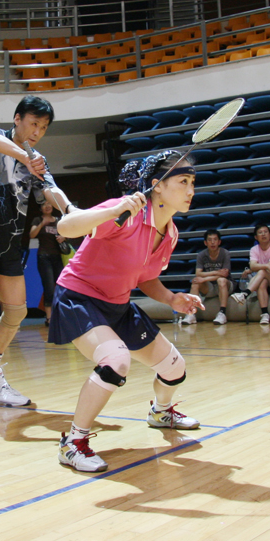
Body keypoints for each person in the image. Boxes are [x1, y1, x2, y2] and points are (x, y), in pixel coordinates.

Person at [48, 150, 204, 473]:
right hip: (79, 297)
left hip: (117, 304)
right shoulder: (126, 212)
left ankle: (160, 412)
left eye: (193, 182)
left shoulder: (170, 233)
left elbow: (144, 276)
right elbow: (66, 226)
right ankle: (73, 443)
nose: (191, 190)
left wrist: (171, 298)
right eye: (183, 181)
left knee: (175, 367)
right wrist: (112, 210)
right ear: (157, 185)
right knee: (115, 360)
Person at [0, 95, 76, 408]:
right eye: (33, 123)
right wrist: (25, 156)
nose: (37, 131)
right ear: (17, 119)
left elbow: (48, 189)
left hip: (10, 244)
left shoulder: (38, 160)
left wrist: (70, 209)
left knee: (17, 311)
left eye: (44, 127)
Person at [230, 224, 270, 325]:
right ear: (256, 237)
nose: (263, 234)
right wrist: (263, 266)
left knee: (263, 271)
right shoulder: (254, 249)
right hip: (264, 280)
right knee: (262, 282)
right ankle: (265, 314)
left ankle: (245, 293)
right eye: (260, 233)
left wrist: (262, 267)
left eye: (265, 232)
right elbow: (253, 266)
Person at [182, 228, 233, 325]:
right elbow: (198, 273)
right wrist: (216, 272)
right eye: (210, 240)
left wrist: (205, 278)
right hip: (210, 286)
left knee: (221, 280)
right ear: (205, 243)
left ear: (219, 242)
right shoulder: (201, 255)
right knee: (195, 282)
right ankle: (191, 314)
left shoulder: (225, 253)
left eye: (215, 239)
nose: (212, 242)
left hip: (225, 285)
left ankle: (222, 313)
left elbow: (225, 274)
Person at [30, 200, 67, 326]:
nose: (47, 206)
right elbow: (32, 235)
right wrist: (42, 224)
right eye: (44, 204)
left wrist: (64, 237)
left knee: (62, 286)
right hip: (44, 257)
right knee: (49, 287)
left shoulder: (58, 220)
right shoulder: (37, 220)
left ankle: (61, 315)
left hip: (57, 257)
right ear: (40, 208)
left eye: (49, 203)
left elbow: (68, 233)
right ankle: (49, 318)